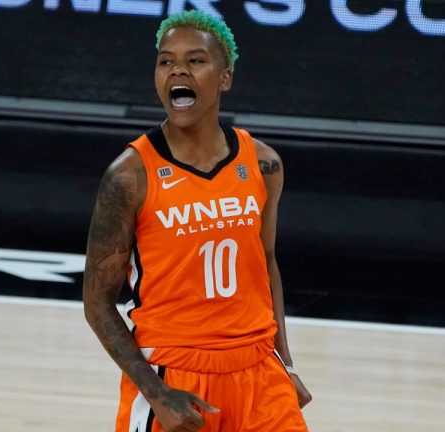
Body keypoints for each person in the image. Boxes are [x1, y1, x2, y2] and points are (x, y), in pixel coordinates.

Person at [83, 10, 311, 432]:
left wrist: (287, 363)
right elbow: (97, 303)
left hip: (259, 371)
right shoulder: (129, 175)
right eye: (166, 61)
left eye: (195, 60)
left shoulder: (263, 164)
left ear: (225, 78)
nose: (177, 71)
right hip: (175, 373)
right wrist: (156, 394)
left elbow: (266, 262)